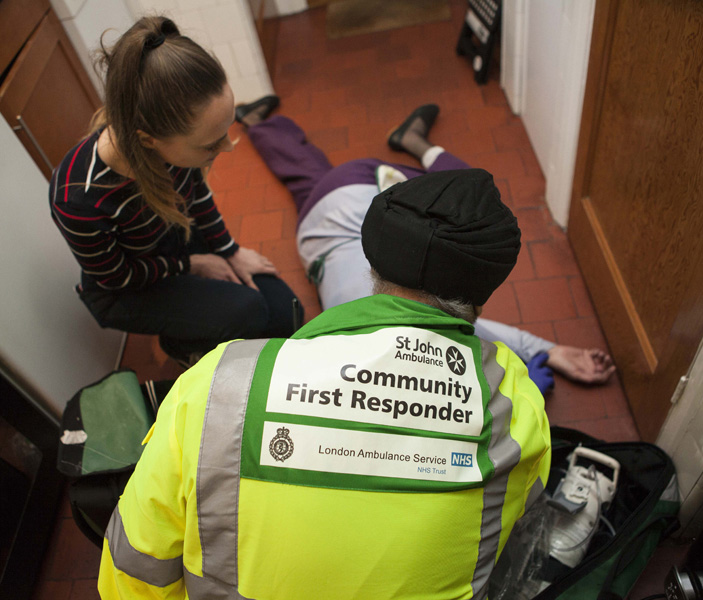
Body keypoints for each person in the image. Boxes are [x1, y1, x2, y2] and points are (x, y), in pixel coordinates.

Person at [99, 168, 552, 599]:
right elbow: (510, 535)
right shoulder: (516, 407)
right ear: (482, 292)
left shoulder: (218, 384)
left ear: (372, 264)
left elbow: (133, 565)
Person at [235, 98, 615, 390]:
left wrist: (545, 352)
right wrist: (546, 354)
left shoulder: (368, 335)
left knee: (463, 189)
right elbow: (476, 333)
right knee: (470, 197)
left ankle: (411, 141)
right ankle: (411, 140)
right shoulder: (421, 338)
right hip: (320, 232)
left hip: (345, 205)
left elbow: (477, 333)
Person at [48, 17, 301, 365]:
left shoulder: (167, 147)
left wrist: (229, 251)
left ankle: (198, 327)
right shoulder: (79, 200)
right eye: (211, 144)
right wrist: (194, 263)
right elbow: (118, 277)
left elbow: (197, 196)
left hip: (168, 240)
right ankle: (180, 344)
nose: (228, 147)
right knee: (250, 312)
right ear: (149, 141)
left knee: (288, 314)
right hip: (128, 286)